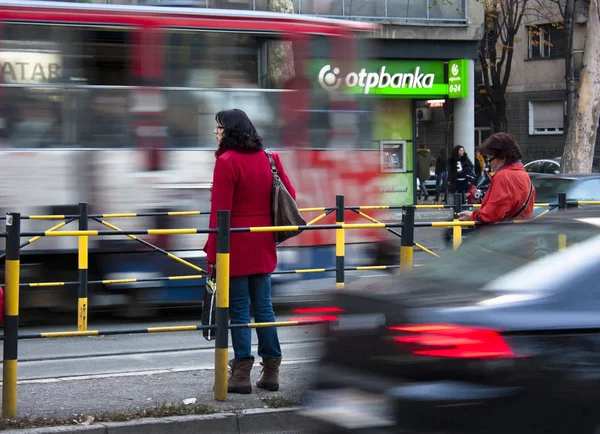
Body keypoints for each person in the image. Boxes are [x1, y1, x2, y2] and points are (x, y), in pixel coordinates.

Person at [203, 108, 297, 394]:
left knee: (239, 310)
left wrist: (212, 256)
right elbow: (290, 195)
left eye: (219, 127)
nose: (216, 132)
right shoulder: (270, 158)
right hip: (264, 241)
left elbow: (220, 214)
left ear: (230, 131)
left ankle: (241, 373)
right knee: (265, 308)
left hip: (235, 245)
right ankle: (271, 372)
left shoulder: (226, 162)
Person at [458, 132, 535, 223]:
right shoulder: (523, 174)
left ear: (503, 157)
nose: (489, 163)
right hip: (520, 233)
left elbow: (491, 215)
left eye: (490, 158)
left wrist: (472, 216)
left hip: (500, 235)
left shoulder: (503, 176)